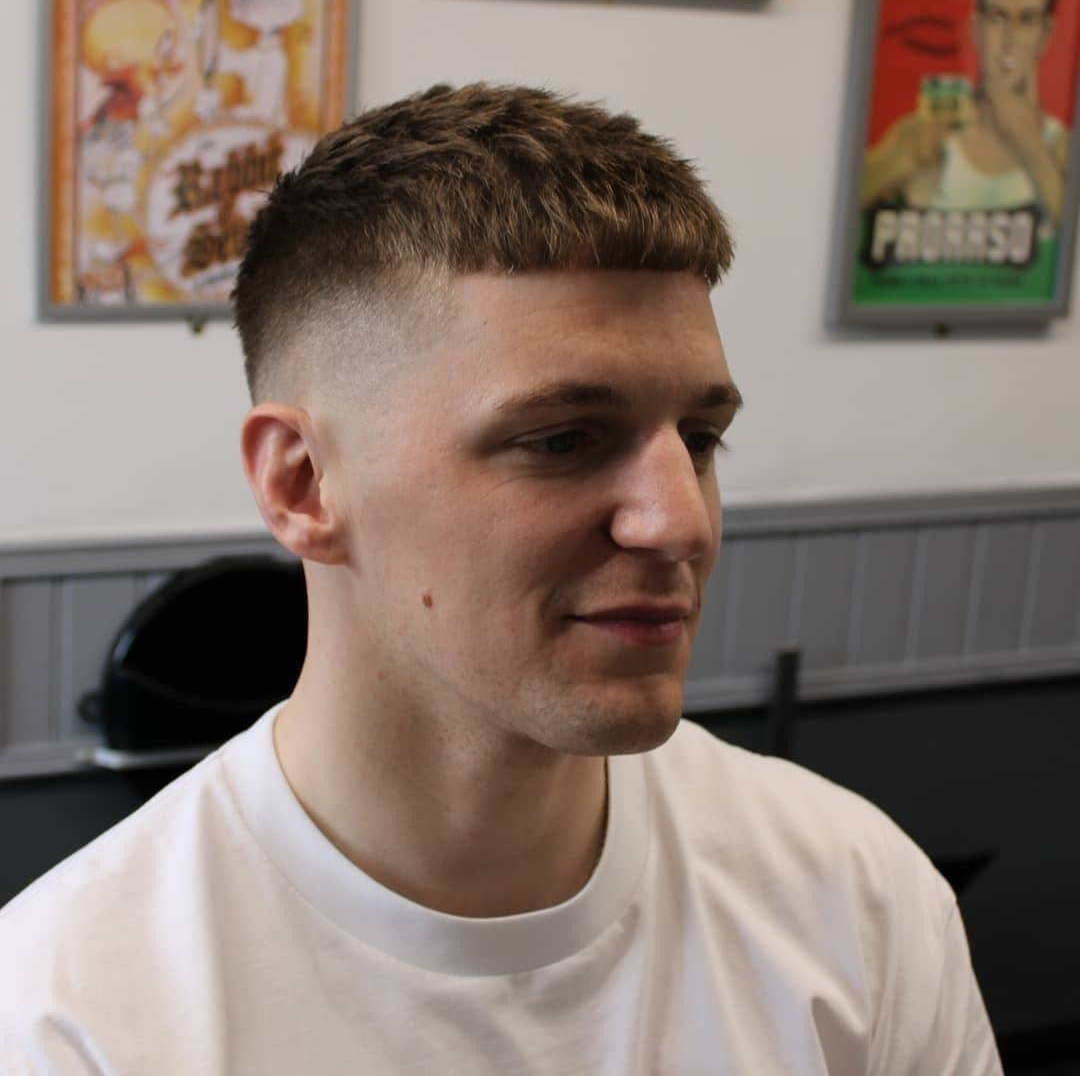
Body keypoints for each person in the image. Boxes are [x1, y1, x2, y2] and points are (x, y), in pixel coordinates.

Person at [0, 83, 1003, 1073]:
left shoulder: (856, 898)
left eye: (699, 439)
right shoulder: (71, 1020)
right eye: (563, 439)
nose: (681, 523)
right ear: (304, 484)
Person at [861, 0, 1069, 225]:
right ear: (976, 28)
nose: (1010, 40)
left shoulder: (1061, 148)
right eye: (997, 18)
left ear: (1047, 33)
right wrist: (896, 166)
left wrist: (1036, 154)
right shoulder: (917, 136)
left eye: (1027, 20)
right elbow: (838, 199)